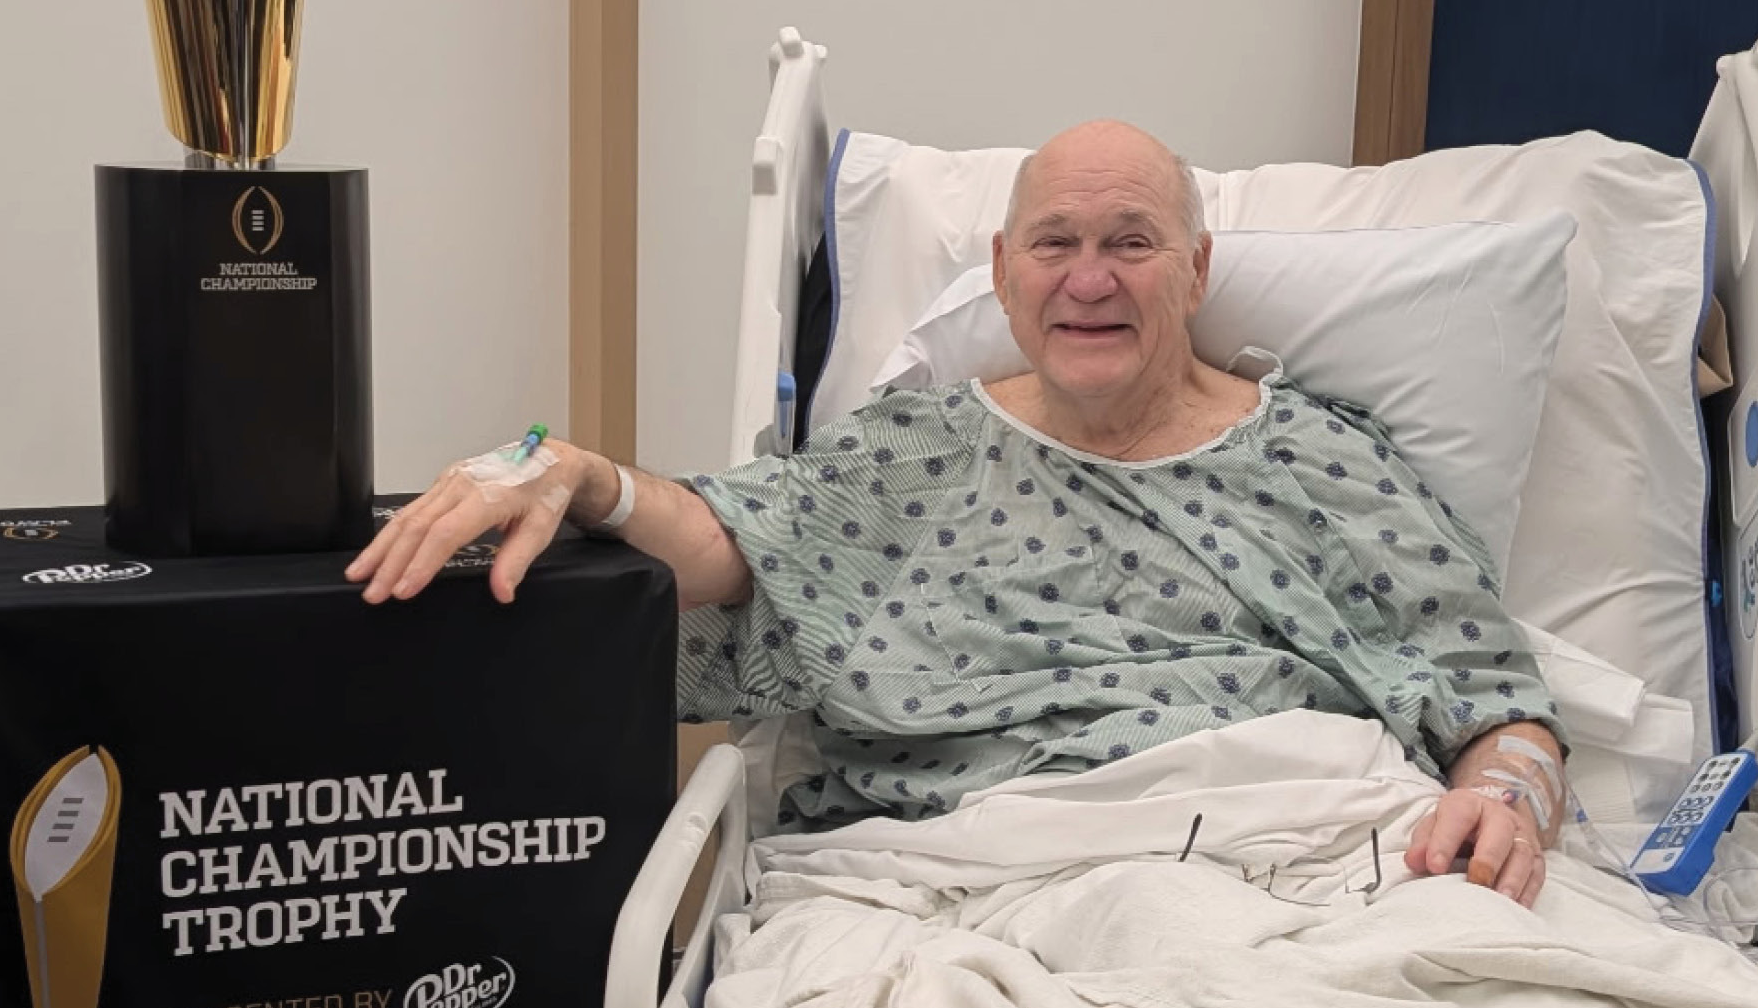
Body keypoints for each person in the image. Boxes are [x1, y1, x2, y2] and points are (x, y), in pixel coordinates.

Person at [342, 121, 1571, 904]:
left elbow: (1495, 702)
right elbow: (734, 544)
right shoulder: (919, 450)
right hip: (980, 874)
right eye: (1054, 243)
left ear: (1196, 272)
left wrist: (1506, 799)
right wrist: (581, 473)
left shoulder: (1322, 462)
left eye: (1131, 242)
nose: (1088, 278)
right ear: (1001, 272)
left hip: (1299, 862)